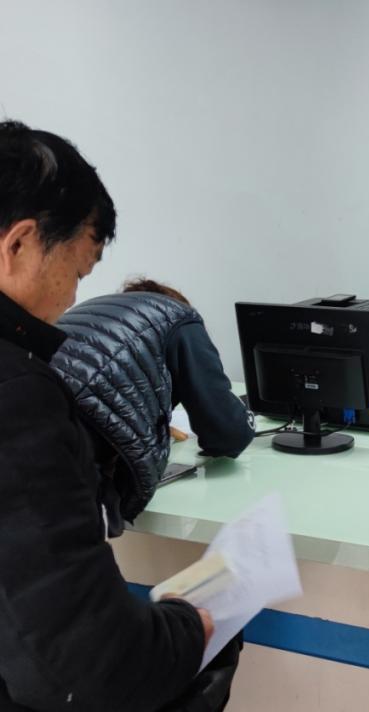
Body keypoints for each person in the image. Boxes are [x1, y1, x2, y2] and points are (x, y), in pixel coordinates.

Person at [0, 120, 221, 710]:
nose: (72, 299)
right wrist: (188, 627)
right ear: (19, 245)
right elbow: (86, 665)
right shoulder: (16, 393)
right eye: (75, 273)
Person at [51, 277, 254, 532]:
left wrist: (146, 422)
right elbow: (228, 433)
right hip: (72, 469)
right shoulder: (180, 318)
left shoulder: (93, 313)